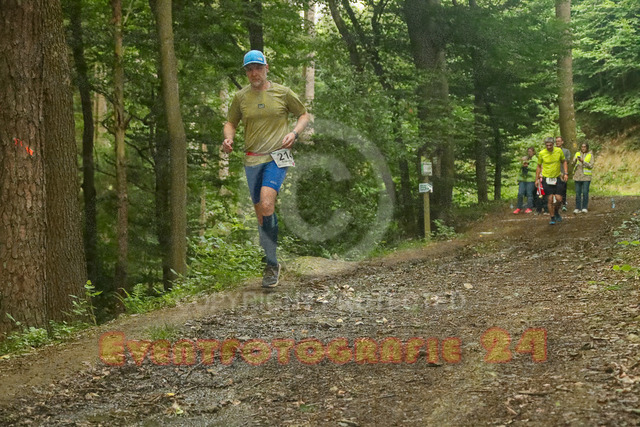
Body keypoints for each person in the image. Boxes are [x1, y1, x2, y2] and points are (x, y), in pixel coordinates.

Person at [222, 50, 310, 288]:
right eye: (249, 69)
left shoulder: (283, 93)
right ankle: (271, 255)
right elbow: (230, 122)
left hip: (279, 155)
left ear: (266, 68)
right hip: (252, 158)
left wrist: (294, 133)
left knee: (267, 203)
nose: (254, 73)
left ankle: (271, 265)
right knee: (262, 214)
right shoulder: (240, 97)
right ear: (246, 72)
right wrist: (228, 138)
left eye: (258, 68)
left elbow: (303, 115)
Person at [536, 137, 569, 225]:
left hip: (557, 177)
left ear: (553, 144)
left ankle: (556, 211)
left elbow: (564, 161)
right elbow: (538, 166)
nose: (549, 147)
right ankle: (552, 217)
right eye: (547, 145)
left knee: (559, 199)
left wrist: (565, 173)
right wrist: (537, 179)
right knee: (550, 199)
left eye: (550, 145)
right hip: (546, 178)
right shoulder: (542, 153)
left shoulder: (558, 151)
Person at [513, 147, 538, 214]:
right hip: (523, 179)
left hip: (531, 179)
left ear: (533, 152)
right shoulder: (525, 159)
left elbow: (536, 168)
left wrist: (528, 166)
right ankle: (519, 207)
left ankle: (529, 207)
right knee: (520, 193)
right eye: (528, 151)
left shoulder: (535, 160)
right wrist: (522, 163)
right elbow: (519, 167)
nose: (529, 153)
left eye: (530, 151)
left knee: (529, 194)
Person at [572, 142, 594, 214]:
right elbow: (572, 164)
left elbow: (591, 165)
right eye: (582, 147)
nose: (583, 148)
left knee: (585, 192)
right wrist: (575, 160)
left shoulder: (590, 155)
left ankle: (584, 207)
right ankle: (577, 207)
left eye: (584, 147)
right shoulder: (577, 154)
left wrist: (583, 161)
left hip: (586, 177)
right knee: (578, 193)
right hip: (577, 176)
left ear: (587, 148)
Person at [555, 136, 571, 212]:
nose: (557, 143)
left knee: (563, 189)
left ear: (562, 142)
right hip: (554, 173)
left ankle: (564, 204)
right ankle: (555, 204)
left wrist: (565, 173)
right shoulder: (553, 150)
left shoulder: (566, 151)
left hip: (563, 172)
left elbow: (567, 161)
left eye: (559, 141)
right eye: (556, 141)